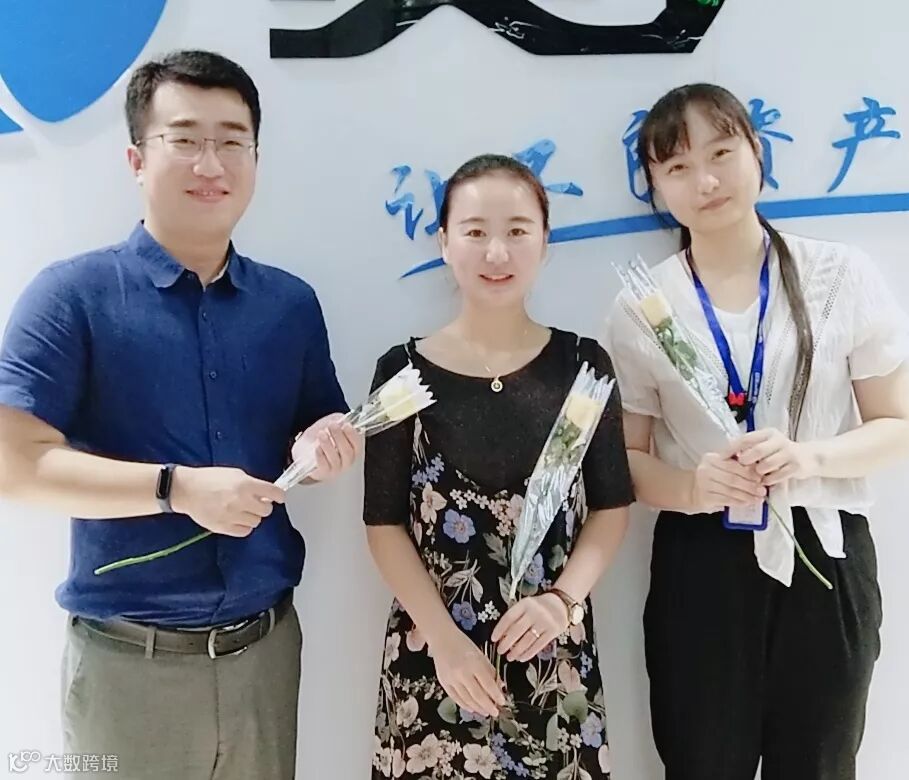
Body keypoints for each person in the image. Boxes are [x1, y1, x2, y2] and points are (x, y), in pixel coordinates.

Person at [0, 50, 360, 780]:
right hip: (129, 664)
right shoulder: (72, 296)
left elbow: (317, 426)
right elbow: (15, 464)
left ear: (256, 158)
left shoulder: (290, 304)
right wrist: (176, 489)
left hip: (265, 652)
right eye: (185, 139)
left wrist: (325, 447)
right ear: (136, 158)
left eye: (232, 141)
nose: (211, 163)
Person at [604, 83, 909, 780]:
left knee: (820, 763)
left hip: (824, 547)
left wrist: (809, 456)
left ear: (757, 151)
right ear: (654, 186)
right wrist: (692, 485)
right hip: (700, 559)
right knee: (701, 762)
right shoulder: (642, 304)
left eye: (722, 152)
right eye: (678, 167)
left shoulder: (839, 274)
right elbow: (625, 458)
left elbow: (896, 424)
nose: (705, 181)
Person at [364, 154, 634, 778]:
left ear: (545, 241)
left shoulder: (582, 366)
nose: (496, 252)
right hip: (434, 666)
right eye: (475, 231)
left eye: (517, 230)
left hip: (552, 666)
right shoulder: (401, 373)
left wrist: (562, 602)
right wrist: (445, 642)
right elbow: (383, 525)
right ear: (444, 242)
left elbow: (612, 506)